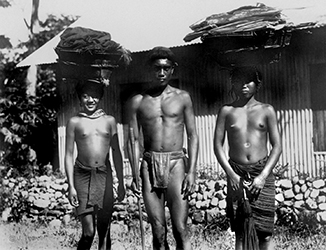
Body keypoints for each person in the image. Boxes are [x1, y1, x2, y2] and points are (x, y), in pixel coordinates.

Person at [127, 46, 199, 250]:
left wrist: (192, 171)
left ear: (172, 70)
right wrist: (134, 174)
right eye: (157, 68)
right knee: (158, 231)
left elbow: (193, 135)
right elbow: (132, 140)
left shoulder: (183, 98)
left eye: (166, 68)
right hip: (149, 164)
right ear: (150, 69)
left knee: (180, 228)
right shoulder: (137, 101)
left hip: (176, 163)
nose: (161, 73)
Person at [213, 66, 282, 250]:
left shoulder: (267, 110)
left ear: (257, 84)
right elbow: (217, 145)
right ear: (232, 84)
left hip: (262, 174)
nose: (243, 85)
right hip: (236, 174)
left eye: (248, 81)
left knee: (265, 233)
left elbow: (277, 146)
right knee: (240, 232)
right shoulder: (226, 111)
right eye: (238, 80)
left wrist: (263, 176)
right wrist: (231, 175)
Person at [65, 79, 125, 250]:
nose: (90, 100)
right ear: (80, 98)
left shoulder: (109, 121)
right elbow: (68, 155)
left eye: (94, 96)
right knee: (88, 233)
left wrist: (120, 182)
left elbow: (116, 152)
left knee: (104, 231)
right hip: (82, 175)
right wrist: (71, 186)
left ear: (100, 97)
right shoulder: (74, 122)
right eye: (85, 96)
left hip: (104, 175)